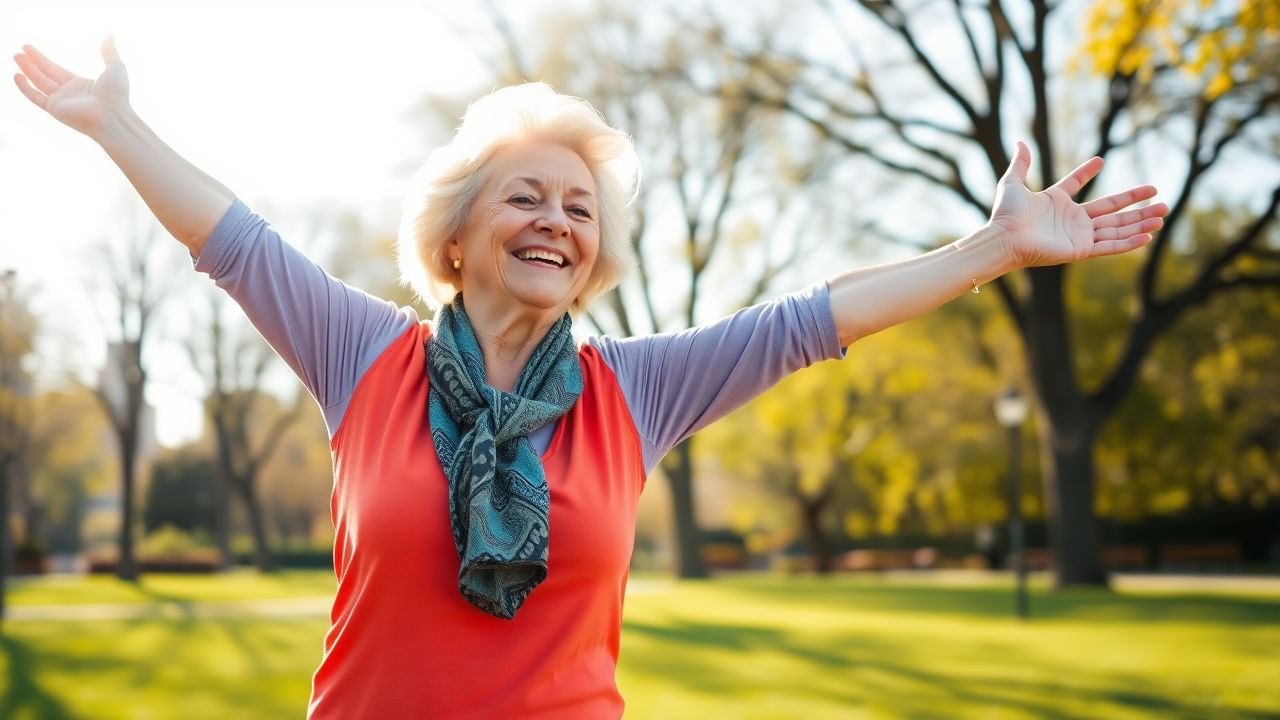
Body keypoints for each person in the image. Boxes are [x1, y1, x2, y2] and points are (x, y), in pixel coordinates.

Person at [13, 37, 1166, 718]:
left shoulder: (637, 390)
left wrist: (994, 250)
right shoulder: (366, 355)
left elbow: (810, 322)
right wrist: (117, 126)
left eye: (578, 208)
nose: (556, 220)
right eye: (524, 195)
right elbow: (235, 239)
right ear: (454, 239)